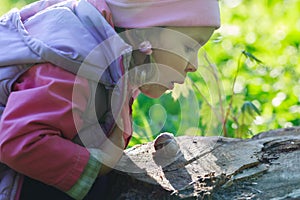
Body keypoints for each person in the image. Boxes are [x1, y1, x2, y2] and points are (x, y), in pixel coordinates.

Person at [0, 0, 220, 199]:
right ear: (145, 34)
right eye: (189, 47)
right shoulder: (77, 66)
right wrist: (97, 165)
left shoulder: (114, 65)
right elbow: (19, 141)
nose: (194, 65)